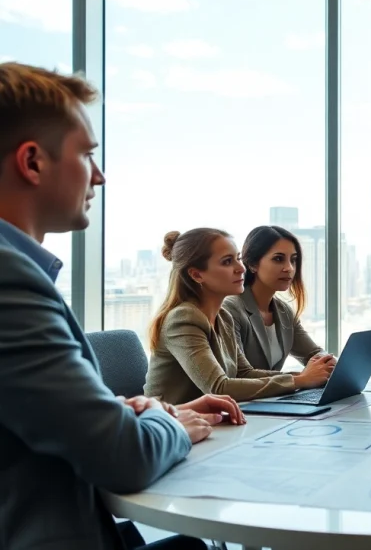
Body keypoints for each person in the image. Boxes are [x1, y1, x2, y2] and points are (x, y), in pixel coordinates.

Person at [0, 62, 243, 550]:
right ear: (33, 162)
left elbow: (37, 414)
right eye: (87, 155)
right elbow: (123, 456)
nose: (101, 176)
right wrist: (166, 424)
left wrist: (155, 410)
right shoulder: (10, 281)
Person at [145, 228, 333, 404]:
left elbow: (244, 372)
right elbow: (218, 387)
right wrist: (300, 381)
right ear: (196, 275)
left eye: (238, 258)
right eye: (227, 262)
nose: (241, 268)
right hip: (172, 427)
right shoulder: (183, 319)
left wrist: (303, 378)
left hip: (214, 420)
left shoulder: (223, 316)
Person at [224, 225, 335, 371]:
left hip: (278, 394)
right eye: (278, 259)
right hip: (240, 395)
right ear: (252, 264)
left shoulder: (284, 312)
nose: (289, 268)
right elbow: (239, 374)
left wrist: (331, 362)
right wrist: (301, 379)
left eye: (293, 260)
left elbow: (313, 353)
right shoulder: (231, 309)